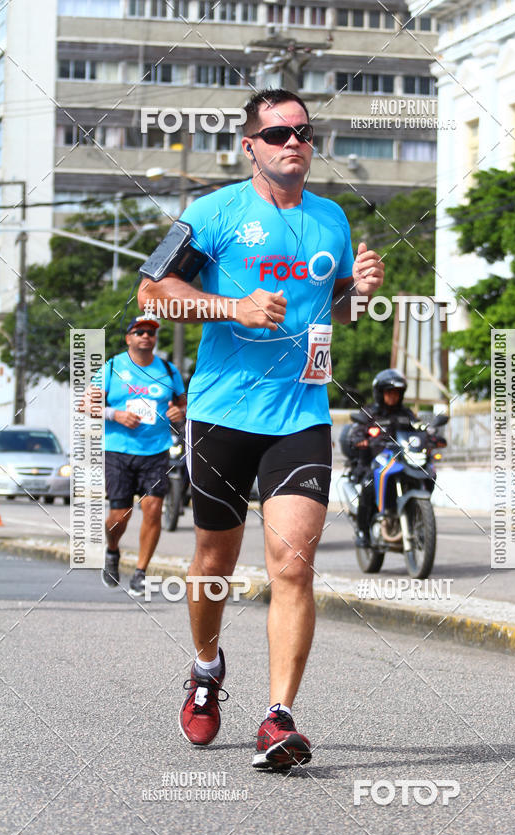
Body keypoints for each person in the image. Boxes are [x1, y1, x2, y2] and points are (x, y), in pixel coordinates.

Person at [137, 88, 384, 770]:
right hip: (222, 413)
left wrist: (359, 293)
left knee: (294, 564)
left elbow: (333, 306)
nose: (293, 142)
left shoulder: (331, 218)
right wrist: (232, 306)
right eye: (278, 133)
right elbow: (151, 292)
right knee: (214, 562)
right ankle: (206, 667)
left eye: (304, 132)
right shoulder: (212, 212)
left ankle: (278, 718)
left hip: (300, 412)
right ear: (250, 146)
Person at [96, 313, 186, 596]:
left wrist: (179, 412)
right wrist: (116, 414)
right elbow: (86, 405)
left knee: (153, 509)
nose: (146, 336)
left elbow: (184, 406)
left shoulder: (169, 370)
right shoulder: (112, 368)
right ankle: (112, 551)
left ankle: (140, 572)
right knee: (119, 516)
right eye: (139, 332)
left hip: (156, 450)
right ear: (128, 338)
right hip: (118, 450)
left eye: (151, 332)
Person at [350, 368, 420, 547]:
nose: (393, 396)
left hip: (401, 460)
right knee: (368, 485)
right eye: (389, 392)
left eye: (397, 392)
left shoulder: (406, 414)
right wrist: (359, 439)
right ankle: (362, 531)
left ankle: (417, 519)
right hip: (373, 461)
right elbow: (356, 432)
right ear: (380, 393)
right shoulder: (369, 413)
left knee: (426, 474)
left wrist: (431, 437)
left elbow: (418, 431)